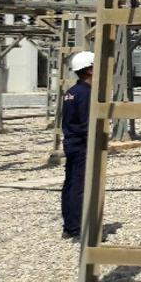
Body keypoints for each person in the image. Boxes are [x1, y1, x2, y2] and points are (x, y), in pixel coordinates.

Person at [61, 50, 94, 239]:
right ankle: (78, 228)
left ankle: (70, 226)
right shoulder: (86, 94)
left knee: (71, 184)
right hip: (82, 146)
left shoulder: (71, 92)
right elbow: (87, 123)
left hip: (71, 143)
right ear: (89, 70)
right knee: (80, 187)